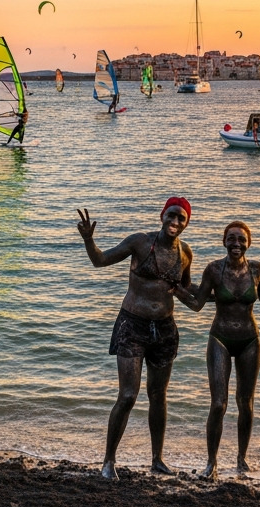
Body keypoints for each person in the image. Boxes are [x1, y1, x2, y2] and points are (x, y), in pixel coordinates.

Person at [76, 198, 195, 480]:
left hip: (165, 329)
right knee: (128, 396)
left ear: (187, 223)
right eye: (171, 216)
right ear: (162, 215)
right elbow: (100, 260)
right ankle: (108, 462)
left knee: (158, 396)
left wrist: (229, 295)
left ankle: (157, 460)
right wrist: (88, 240)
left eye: (182, 218)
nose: (175, 222)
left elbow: (187, 289)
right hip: (133, 325)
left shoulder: (186, 253)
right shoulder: (140, 242)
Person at [172, 221, 260, 479]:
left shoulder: (257, 269)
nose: (236, 244)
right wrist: (176, 291)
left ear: (249, 242)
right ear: (224, 241)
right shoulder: (213, 270)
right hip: (220, 339)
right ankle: (211, 462)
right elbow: (197, 304)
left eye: (241, 239)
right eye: (231, 239)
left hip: (249, 340)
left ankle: (241, 459)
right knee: (218, 404)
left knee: (245, 404)